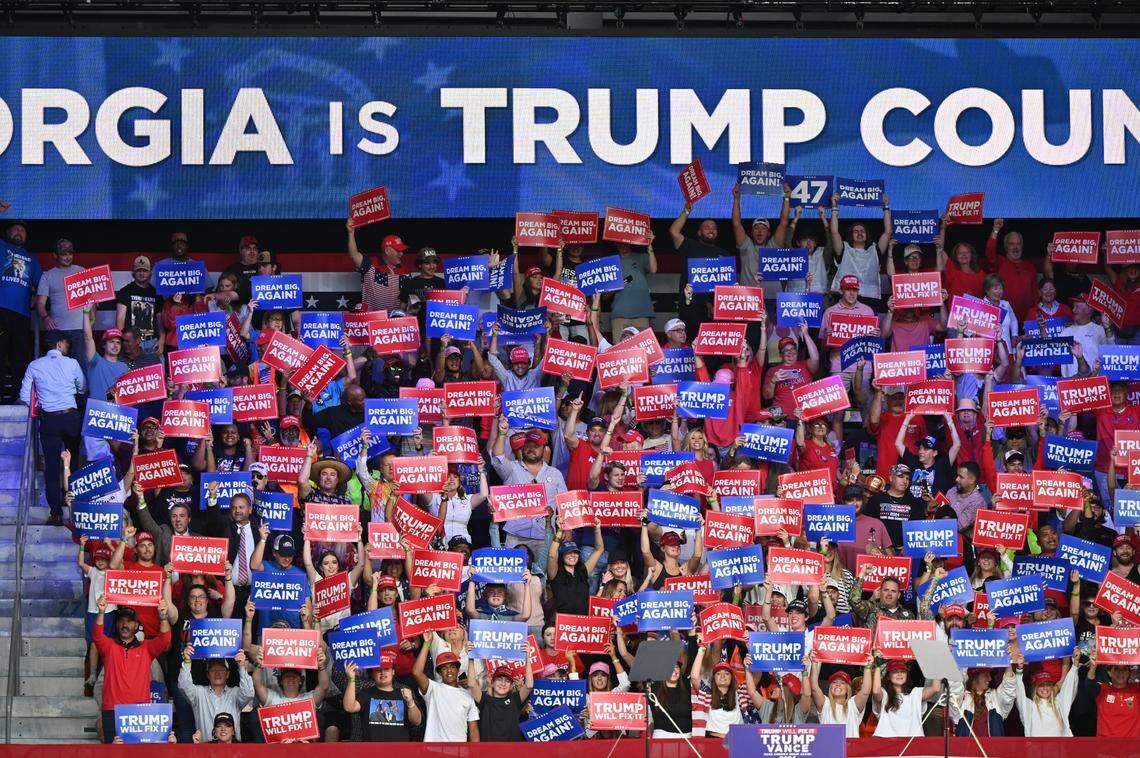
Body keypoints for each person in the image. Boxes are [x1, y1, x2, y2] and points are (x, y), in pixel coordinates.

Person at [19, 332, 84, 525]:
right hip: (71, 416)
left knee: (52, 467)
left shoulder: (35, 365)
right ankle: (73, 506)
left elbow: (24, 396)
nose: (68, 346)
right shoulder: (72, 363)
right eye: (66, 343)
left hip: (49, 420)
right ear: (59, 344)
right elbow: (82, 387)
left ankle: (56, 512)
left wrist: (42, 405)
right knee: (73, 464)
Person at [92, 594, 172, 743]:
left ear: (136, 625)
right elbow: (97, 635)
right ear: (117, 625)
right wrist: (101, 612)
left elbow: (165, 638)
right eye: (121, 621)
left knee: (137, 753)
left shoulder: (146, 648)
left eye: (129, 621)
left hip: (138, 712)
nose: (124, 625)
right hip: (111, 710)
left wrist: (163, 617)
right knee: (112, 753)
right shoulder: (109, 647)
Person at [0, 219, 43, 402]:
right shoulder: (2, 247)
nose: (19, 232)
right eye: (15, 229)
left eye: (22, 230)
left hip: (22, 315)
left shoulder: (31, 258)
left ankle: (19, 395)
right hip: (1, 311)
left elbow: (42, 284)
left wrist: (38, 297)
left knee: (19, 356)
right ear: (7, 233)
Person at [413, 633, 480, 742]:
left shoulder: (468, 695)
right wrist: (426, 644)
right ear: (439, 673)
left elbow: (473, 729)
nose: (449, 671)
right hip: (434, 751)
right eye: (444, 668)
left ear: (458, 670)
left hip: (459, 752)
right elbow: (416, 672)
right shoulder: (433, 689)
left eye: (452, 667)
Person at [177, 648, 254, 742]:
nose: (217, 673)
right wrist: (187, 660)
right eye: (213, 669)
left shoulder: (235, 693)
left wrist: (241, 666)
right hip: (205, 752)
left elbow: (248, 693)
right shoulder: (199, 693)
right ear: (208, 674)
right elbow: (183, 685)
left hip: (232, 752)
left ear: (228, 674)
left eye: (221, 669)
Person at [342, 658, 421, 742]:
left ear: (393, 672)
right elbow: (349, 707)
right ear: (372, 674)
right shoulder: (366, 694)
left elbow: (417, 721)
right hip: (372, 752)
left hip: (399, 752)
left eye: (386, 669)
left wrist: (410, 702)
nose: (382, 672)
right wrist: (351, 679)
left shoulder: (404, 693)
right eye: (378, 670)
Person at [35, 238, 85, 361]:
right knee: (57, 370)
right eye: (63, 254)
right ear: (55, 255)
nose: (68, 257)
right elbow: (40, 303)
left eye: (70, 253)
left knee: (80, 370)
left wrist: (92, 316)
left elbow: (92, 299)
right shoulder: (47, 275)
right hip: (57, 331)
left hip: (79, 329)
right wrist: (45, 318)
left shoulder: (81, 271)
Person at [871, 658, 943, 737]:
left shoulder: (915, 693)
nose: (900, 674)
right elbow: (876, 691)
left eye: (903, 671)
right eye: (895, 671)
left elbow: (935, 688)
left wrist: (938, 659)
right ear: (888, 676)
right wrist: (877, 665)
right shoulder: (884, 694)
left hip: (912, 743)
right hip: (886, 742)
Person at [466, 659, 533, 742]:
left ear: (511, 686)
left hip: (511, 752)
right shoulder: (485, 699)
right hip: (488, 752)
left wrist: (527, 659)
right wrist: (471, 659)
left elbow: (529, 685)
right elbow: (472, 684)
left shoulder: (515, 700)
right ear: (492, 683)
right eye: (499, 679)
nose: (503, 683)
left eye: (507, 681)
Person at [808, 659, 873, 737]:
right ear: (830, 687)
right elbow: (814, 688)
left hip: (849, 748)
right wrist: (814, 663)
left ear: (847, 689)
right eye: (834, 682)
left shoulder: (853, 704)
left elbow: (865, 691)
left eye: (842, 682)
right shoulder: (826, 704)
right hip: (828, 748)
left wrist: (868, 666)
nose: (838, 684)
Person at [116, 255, 164, 352]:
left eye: (145, 270)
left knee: (159, 367)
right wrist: (122, 341)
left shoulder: (156, 294)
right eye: (139, 270)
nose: (142, 273)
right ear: (133, 272)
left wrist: (162, 341)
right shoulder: (125, 291)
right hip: (132, 342)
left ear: (150, 272)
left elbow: (160, 321)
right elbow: (120, 319)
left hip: (152, 342)